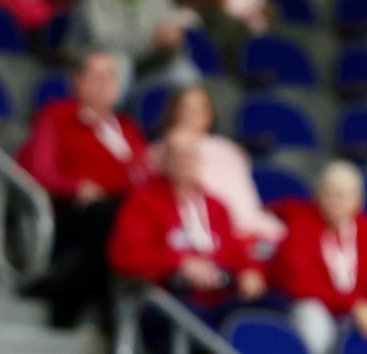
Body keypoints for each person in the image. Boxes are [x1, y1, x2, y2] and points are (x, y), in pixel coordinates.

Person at [19, 49, 152, 329]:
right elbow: (41, 171)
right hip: (77, 214)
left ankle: (68, 289)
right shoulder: (57, 117)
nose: (104, 83)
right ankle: (104, 314)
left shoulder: (126, 128)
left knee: (126, 217)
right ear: (76, 82)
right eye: (96, 75)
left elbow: (145, 175)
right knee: (110, 213)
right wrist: (76, 186)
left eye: (110, 76)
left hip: (123, 214)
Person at [107, 126, 265, 325]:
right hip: (170, 297)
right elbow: (125, 256)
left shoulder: (216, 206)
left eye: (190, 154)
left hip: (220, 295)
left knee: (271, 306)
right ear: (163, 160)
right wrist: (180, 263)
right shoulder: (142, 202)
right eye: (177, 154)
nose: (184, 161)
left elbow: (236, 250)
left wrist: (250, 270)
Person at [269, 161, 367, 354]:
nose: (335, 201)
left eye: (342, 195)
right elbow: (301, 283)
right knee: (312, 321)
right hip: (322, 307)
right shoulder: (301, 226)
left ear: (358, 201)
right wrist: (355, 305)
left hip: (359, 308)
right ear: (317, 195)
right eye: (329, 193)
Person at [154, 84, 284, 253]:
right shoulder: (159, 152)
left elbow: (248, 203)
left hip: (249, 229)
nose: (195, 113)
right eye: (187, 107)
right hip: (200, 234)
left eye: (202, 107)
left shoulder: (231, 151)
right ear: (173, 112)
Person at [65, 0, 201, 97]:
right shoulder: (92, 3)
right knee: (121, 65)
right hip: (95, 62)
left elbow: (170, 22)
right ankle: (111, 126)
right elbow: (106, 42)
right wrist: (153, 41)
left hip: (147, 64)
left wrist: (171, 40)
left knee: (183, 73)